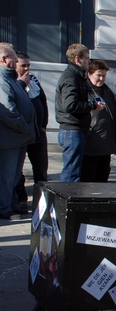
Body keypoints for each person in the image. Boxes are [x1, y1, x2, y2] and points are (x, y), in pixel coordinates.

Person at [55, 43, 104, 182]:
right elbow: (70, 105)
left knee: (75, 168)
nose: (89, 61)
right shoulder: (70, 78)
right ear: (77, 59)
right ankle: (67, 199)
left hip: (77, 129)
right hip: (72, 130)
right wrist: (92, 105)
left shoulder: (77, 76)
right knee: (71, 171)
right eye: (87, 58)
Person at [0, 43, 36, 220]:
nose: (16, 62)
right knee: (6, 176)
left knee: (14, 176)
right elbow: (8, 110)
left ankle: (12, 204)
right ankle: (3, 208)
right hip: (10, 138)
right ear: (3, 59)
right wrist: (25, 126)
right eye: (14, 59)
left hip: (19, 137)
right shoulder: (2, 80)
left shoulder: (11, 79)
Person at [14, 51, 48, 211]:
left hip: (38, 132)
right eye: (23, 66)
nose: (27, 69)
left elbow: (43, 102)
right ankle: (21, 199)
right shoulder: (12, 82)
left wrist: (43, 125)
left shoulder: (33, 80)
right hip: (20, 133)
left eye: (29, 65)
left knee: (40, 167)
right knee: (18, 169)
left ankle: (41, 200)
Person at [81, 60, 116, 182]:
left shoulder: (107, 91)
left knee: (103, 176)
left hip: (106, 142)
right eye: (99, 75)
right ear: (89, 74)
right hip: (90, 141)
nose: (102, 79)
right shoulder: (84, 90)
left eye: (104, 75)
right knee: (88, 176)